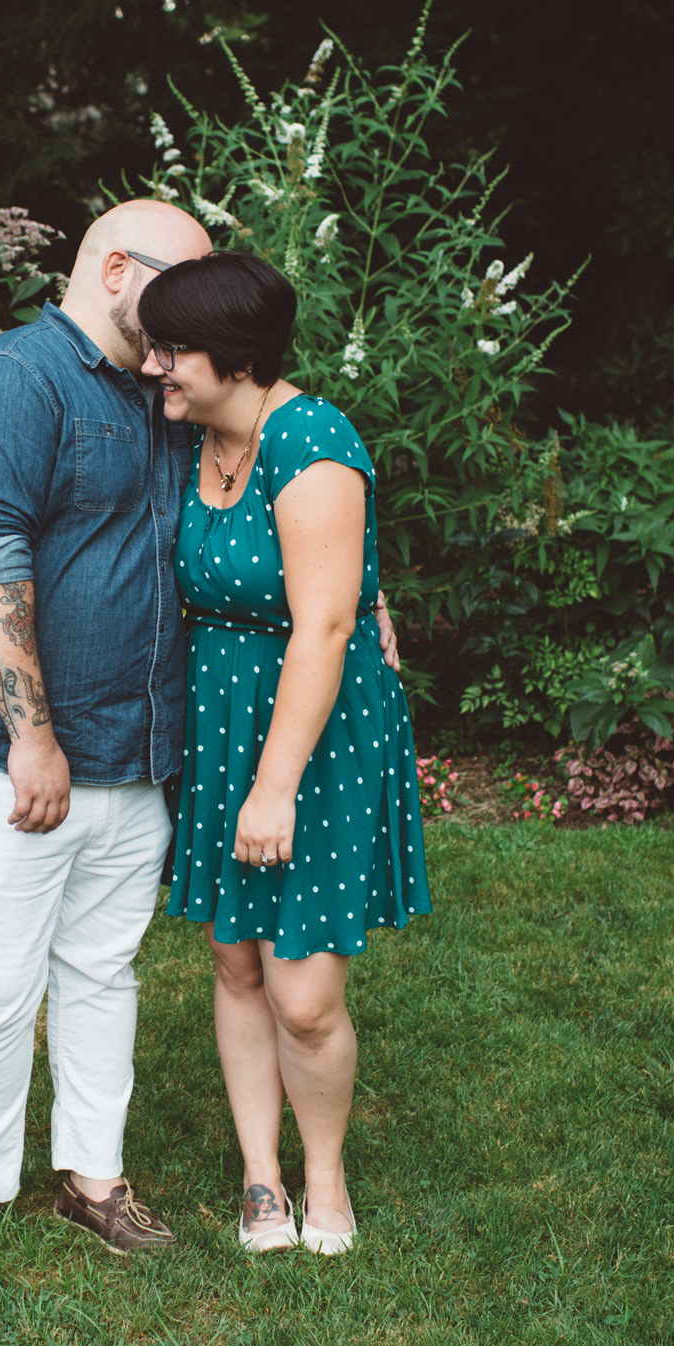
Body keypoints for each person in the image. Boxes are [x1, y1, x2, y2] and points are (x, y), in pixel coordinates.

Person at [0, 199, 214, 1272]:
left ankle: (94, 1178)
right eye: (178, 290)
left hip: (135, 745)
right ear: (116, 270)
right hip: (4, 751)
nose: (192, 316)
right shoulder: (12, 381)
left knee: (103, 967)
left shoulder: (165, 394)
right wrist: (30, 738)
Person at [140, 250, 430, 1257]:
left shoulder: (310, 442)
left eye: (173, 348)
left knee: (302, 992)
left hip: (309, 734)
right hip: (222, 717)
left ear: (237, 352)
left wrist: (273, 788)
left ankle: (325, 1176)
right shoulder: (196, 434)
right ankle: (262, 1179)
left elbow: (325, 622)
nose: (154, 365)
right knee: (233, 957)